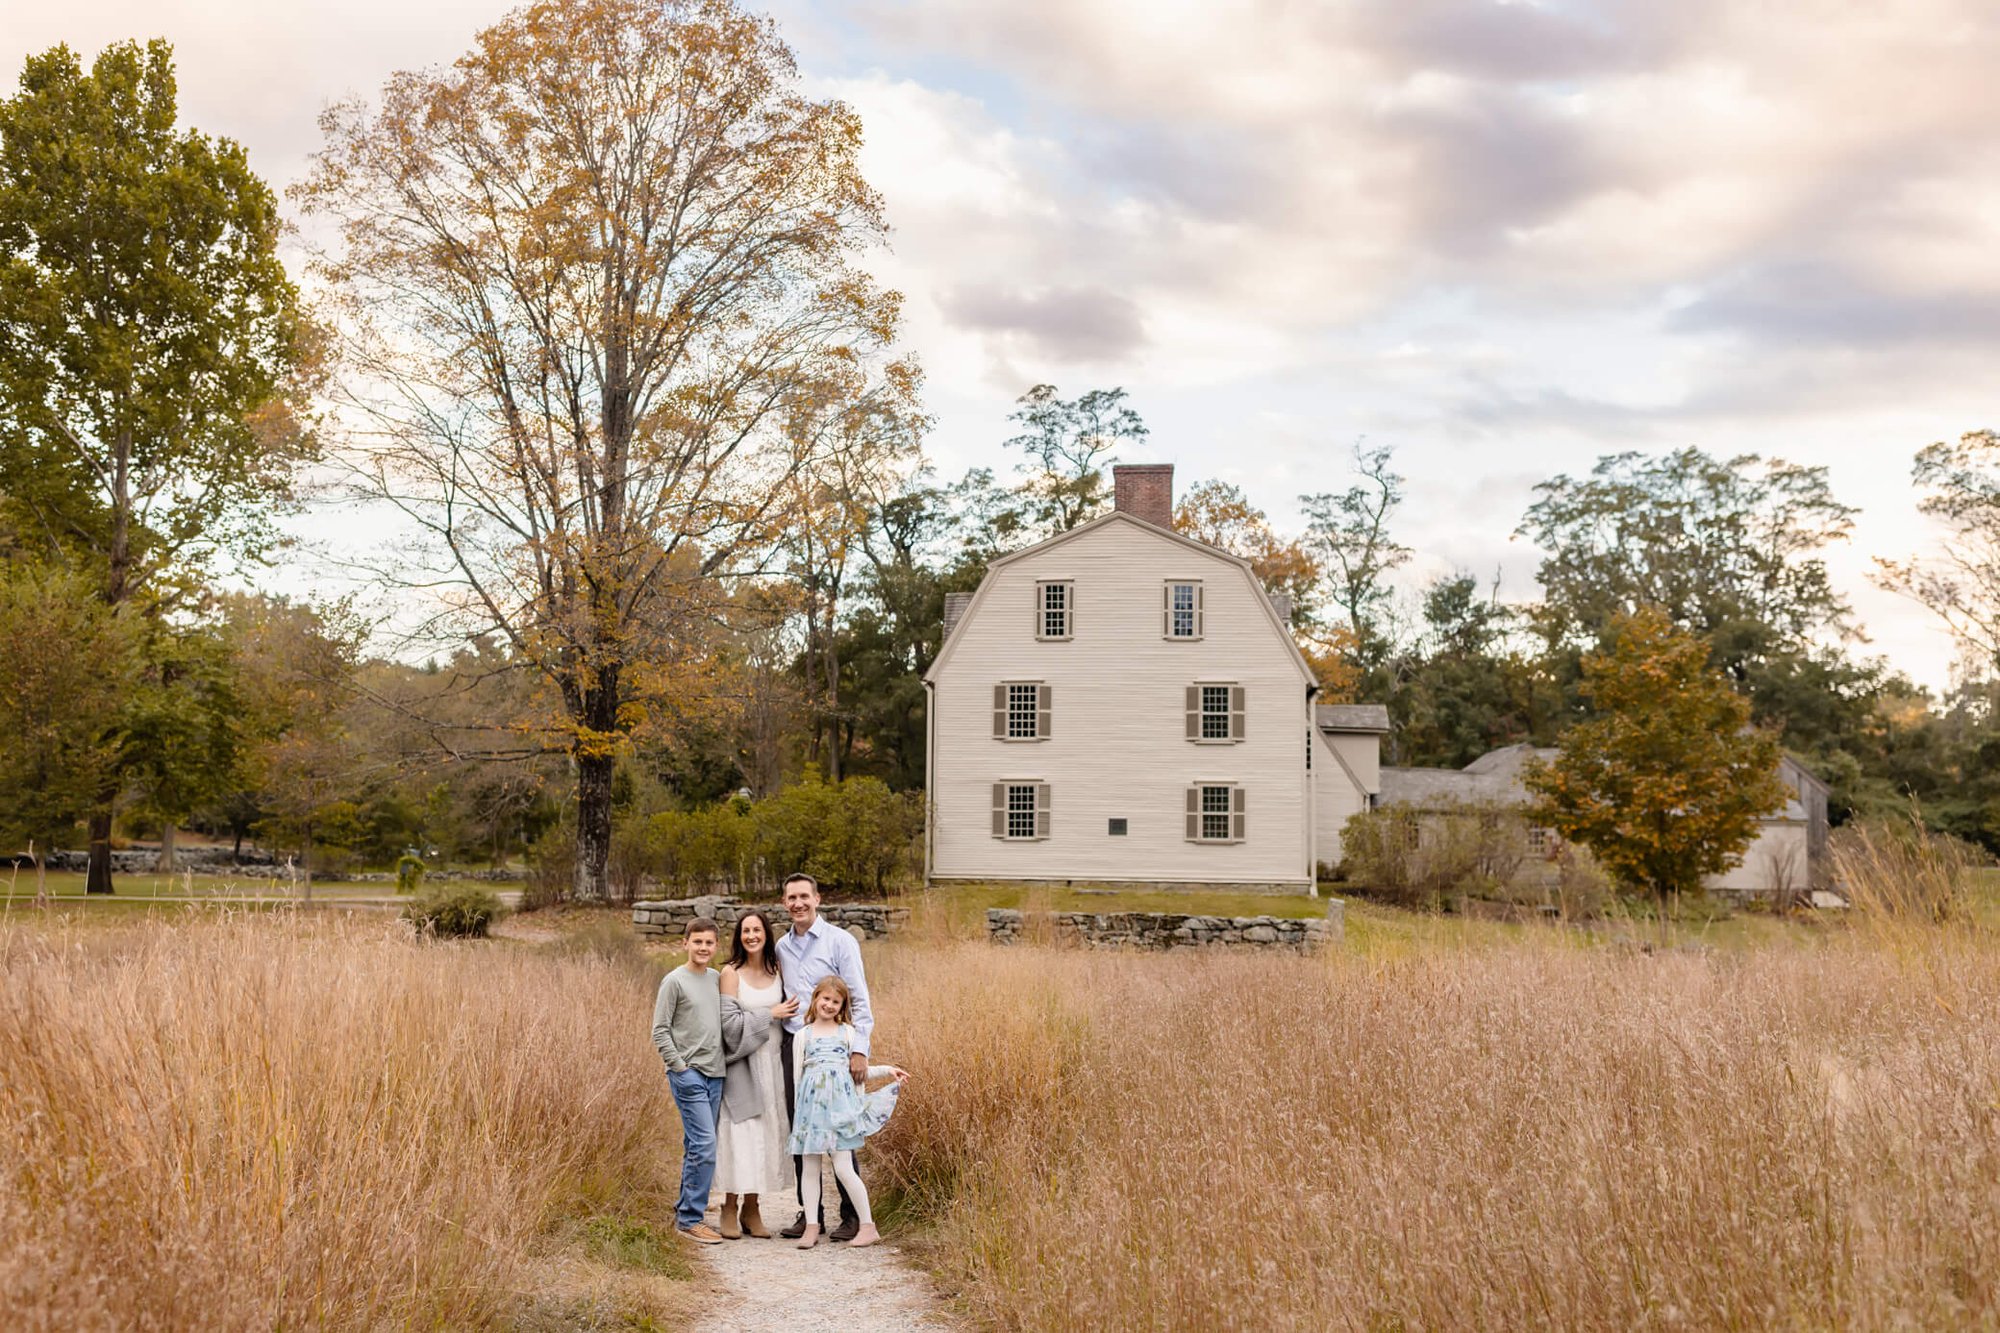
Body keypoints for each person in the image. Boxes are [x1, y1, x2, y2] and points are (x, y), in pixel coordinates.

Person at [773, 872, 875, 1240]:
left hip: (839, 1051)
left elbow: (859, 999)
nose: (798, 903)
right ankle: (810, 1214)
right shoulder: (781, 947)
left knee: (841, 1132)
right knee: (804, 1130)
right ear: (785, 903)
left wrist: (860, 1050)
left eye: (804, 896)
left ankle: (851, 1217)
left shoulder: (840, 942)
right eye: (791, 898)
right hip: (797, 1048)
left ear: (817, 899)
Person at [788, 975, 909, 1250]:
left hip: (840, 1113)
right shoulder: (802, 1035)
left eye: (835, 1001)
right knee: (809, 1168)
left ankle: (867, 1226)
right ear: (815, 998)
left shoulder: (848, 1033)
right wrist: (798, 1117)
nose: (828, 1005)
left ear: (842, 1006)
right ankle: (811, 1226)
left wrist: (887, 1070)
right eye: (825, 998)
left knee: (844, 1168)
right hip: (811, 1114)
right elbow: (797, 1078)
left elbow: (859, 1074)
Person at [715, 909, 798, 1240]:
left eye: (757, 930)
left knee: (766, 1134)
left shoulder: (777, 970)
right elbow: (729, 1026)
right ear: (739, 936)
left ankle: (753, 1208)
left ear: (766, 934)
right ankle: (728, 1205)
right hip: (742, 1063)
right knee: (740, 1135)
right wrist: (770, 1013)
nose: (751, 935)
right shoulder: (730, 973)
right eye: (745, 930)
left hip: (773, 1064)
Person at [652, 917, 726, 1245]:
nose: (703, 948)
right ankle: (690, 1219)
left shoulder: (716, 979)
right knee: (705, 1145)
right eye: (697, 942)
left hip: (716, 1073)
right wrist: (679, 1066)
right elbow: (660, 1029)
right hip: (689, 1074)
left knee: (695, 1143)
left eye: (709, 943)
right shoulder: (674, 981)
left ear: (716, 947)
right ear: (685, 943)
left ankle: (685, 1205)